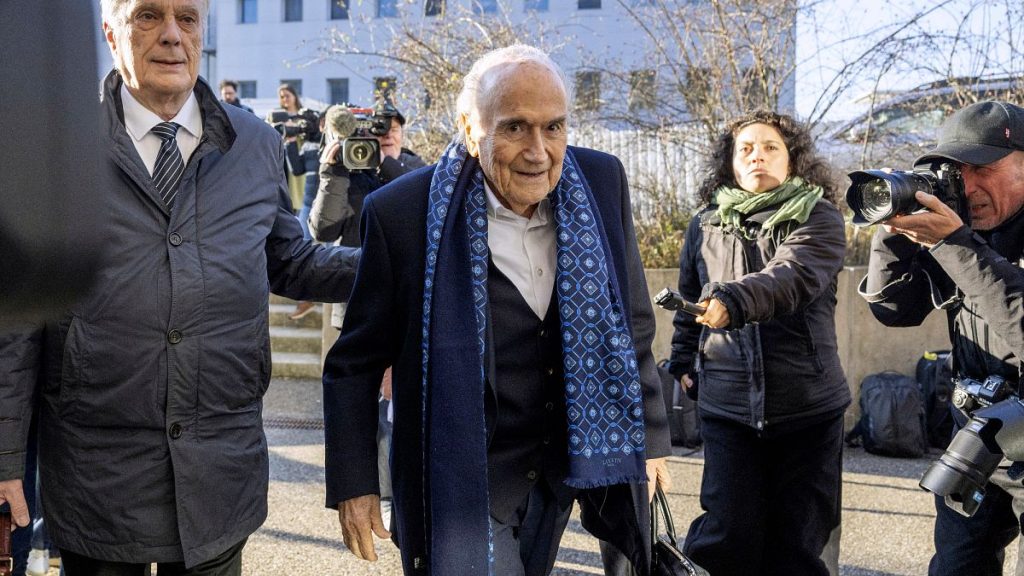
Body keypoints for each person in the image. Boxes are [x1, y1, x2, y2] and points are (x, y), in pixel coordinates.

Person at [0, 0, 359, 574]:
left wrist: (396, 263)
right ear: (110, 33)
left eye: (187, 19)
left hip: (219, 472)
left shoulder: (254, 143)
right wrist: (5, 458)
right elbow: (16, 319)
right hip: (98, 477)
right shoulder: (54, 144)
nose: (172, 35)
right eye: (148, 16)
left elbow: (290, 261)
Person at [320, 44, 671, 575]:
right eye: (514, 128)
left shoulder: (602, 182)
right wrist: (356, 483)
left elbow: (632, 322)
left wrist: (651, 438)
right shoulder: (402, 213)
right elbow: (355, 362)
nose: (538, 151)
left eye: (553, 127)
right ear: (469, 128)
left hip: (564, 468)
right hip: (462, 479)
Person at [666, 110, 849, 576]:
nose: (757, 156)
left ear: (793, 159)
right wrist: (683, 361)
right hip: (727, 409)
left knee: (800, 548)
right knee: (726, 536)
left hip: (807, 407)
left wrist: (733, 299)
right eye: (745, 149)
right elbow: (689, 298)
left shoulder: (820, 215)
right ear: (729, 162)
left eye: (770, 147)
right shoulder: (704, 223)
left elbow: (792, 275)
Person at [859, 100, 1024, 576]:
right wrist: (894, 230)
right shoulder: (958, 226)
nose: (968, 187)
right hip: (978, 432)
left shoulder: (957, 238)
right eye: (957, 171)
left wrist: (955, 246)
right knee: (955, 567)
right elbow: (894, 312)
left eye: (983, 169)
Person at [309, 102, 426, 331]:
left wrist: (384, 163)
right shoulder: (345, 172)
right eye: (380, 129)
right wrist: (332, 174)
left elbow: (422, 203)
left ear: (402, 134)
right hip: (355, 301)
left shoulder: (416, 168)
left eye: (393, 128)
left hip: (406, 299)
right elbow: (324, 231)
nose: (387, 135)